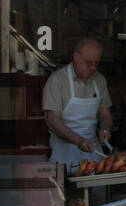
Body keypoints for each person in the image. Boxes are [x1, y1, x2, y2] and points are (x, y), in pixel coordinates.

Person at [43, 36, 113, 168]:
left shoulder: (99, 80)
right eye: (88, 63)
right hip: (63, 152)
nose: (93, 67)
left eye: (96, 63)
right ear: (76, 57)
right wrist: (78, 141)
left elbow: (105, 115)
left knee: (96, 185)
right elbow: (53, 122)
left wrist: (105, 129)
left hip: (93, 151)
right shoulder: (57, 80)